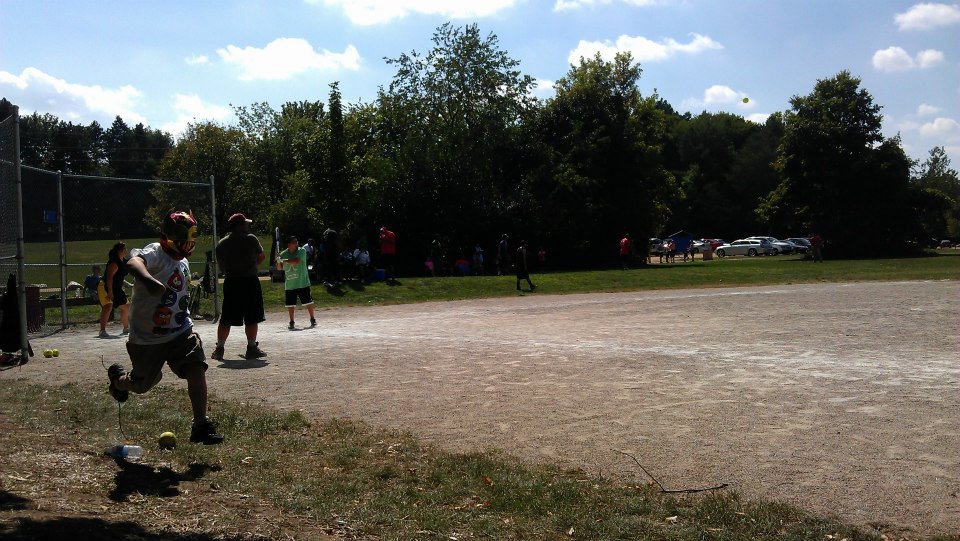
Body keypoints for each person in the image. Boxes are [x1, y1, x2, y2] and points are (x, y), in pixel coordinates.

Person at [105, 211, 223, 445]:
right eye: (181, 236)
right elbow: (133, 262)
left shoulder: (184, 262)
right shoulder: (155, 253)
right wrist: (148, 280)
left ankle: (201, 424)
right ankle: (119, 380)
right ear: (166, 236)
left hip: (180, 331)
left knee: (196, 365)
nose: (187, 242)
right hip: (148, 338)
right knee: (142, 384)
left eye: (189, 236)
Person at [212, 213, 266, 360]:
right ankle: (251, 347)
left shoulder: (222, 243)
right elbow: (261, 256)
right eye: (245, 223)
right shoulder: (251, 239)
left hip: (231, 282)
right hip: (249, 281)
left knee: (227, 317)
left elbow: (221, 265)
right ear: (240, 225)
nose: (248, 225)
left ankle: (219, 349)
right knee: (252, 316)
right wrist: (251, 267)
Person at [277, 235, 316, 330]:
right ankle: (291, 321)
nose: (296, 243)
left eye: (296, 241)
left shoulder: (301, 250)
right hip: (290, 284)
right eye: (294, 242)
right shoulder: (283, 254)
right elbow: (279, 268)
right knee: (290, 304)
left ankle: (312, 318)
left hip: (302, 282)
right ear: (289, 244)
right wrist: (278, 261)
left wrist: (283, 260)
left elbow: (296, 261)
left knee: (308, 302)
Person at [98, 243, 130, 338]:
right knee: (108, 306)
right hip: (105, 286)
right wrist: (110, 292)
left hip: (116, 287)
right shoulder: (114, 262)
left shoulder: (124, 261)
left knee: (126, 306)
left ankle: (126, 328)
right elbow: (109, 278)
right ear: (119, 251)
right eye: (124, 249)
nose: (126, 251)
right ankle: (102, 331)